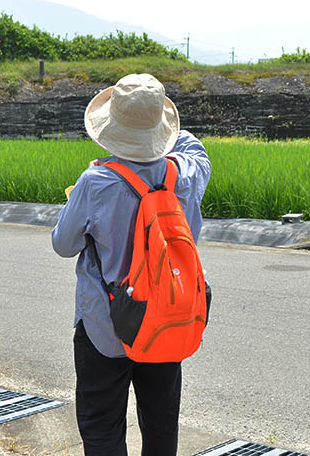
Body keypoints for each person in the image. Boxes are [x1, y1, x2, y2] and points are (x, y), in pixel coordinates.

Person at [51, 73, 211, 456]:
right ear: (162, 128)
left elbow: (63, 244)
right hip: (167, 321)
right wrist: (154, 126)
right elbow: (193, 146)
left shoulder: (96, 181)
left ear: (111, 128)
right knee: (160, 424)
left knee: (102, 427)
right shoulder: (187, 172)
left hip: (106, 324)